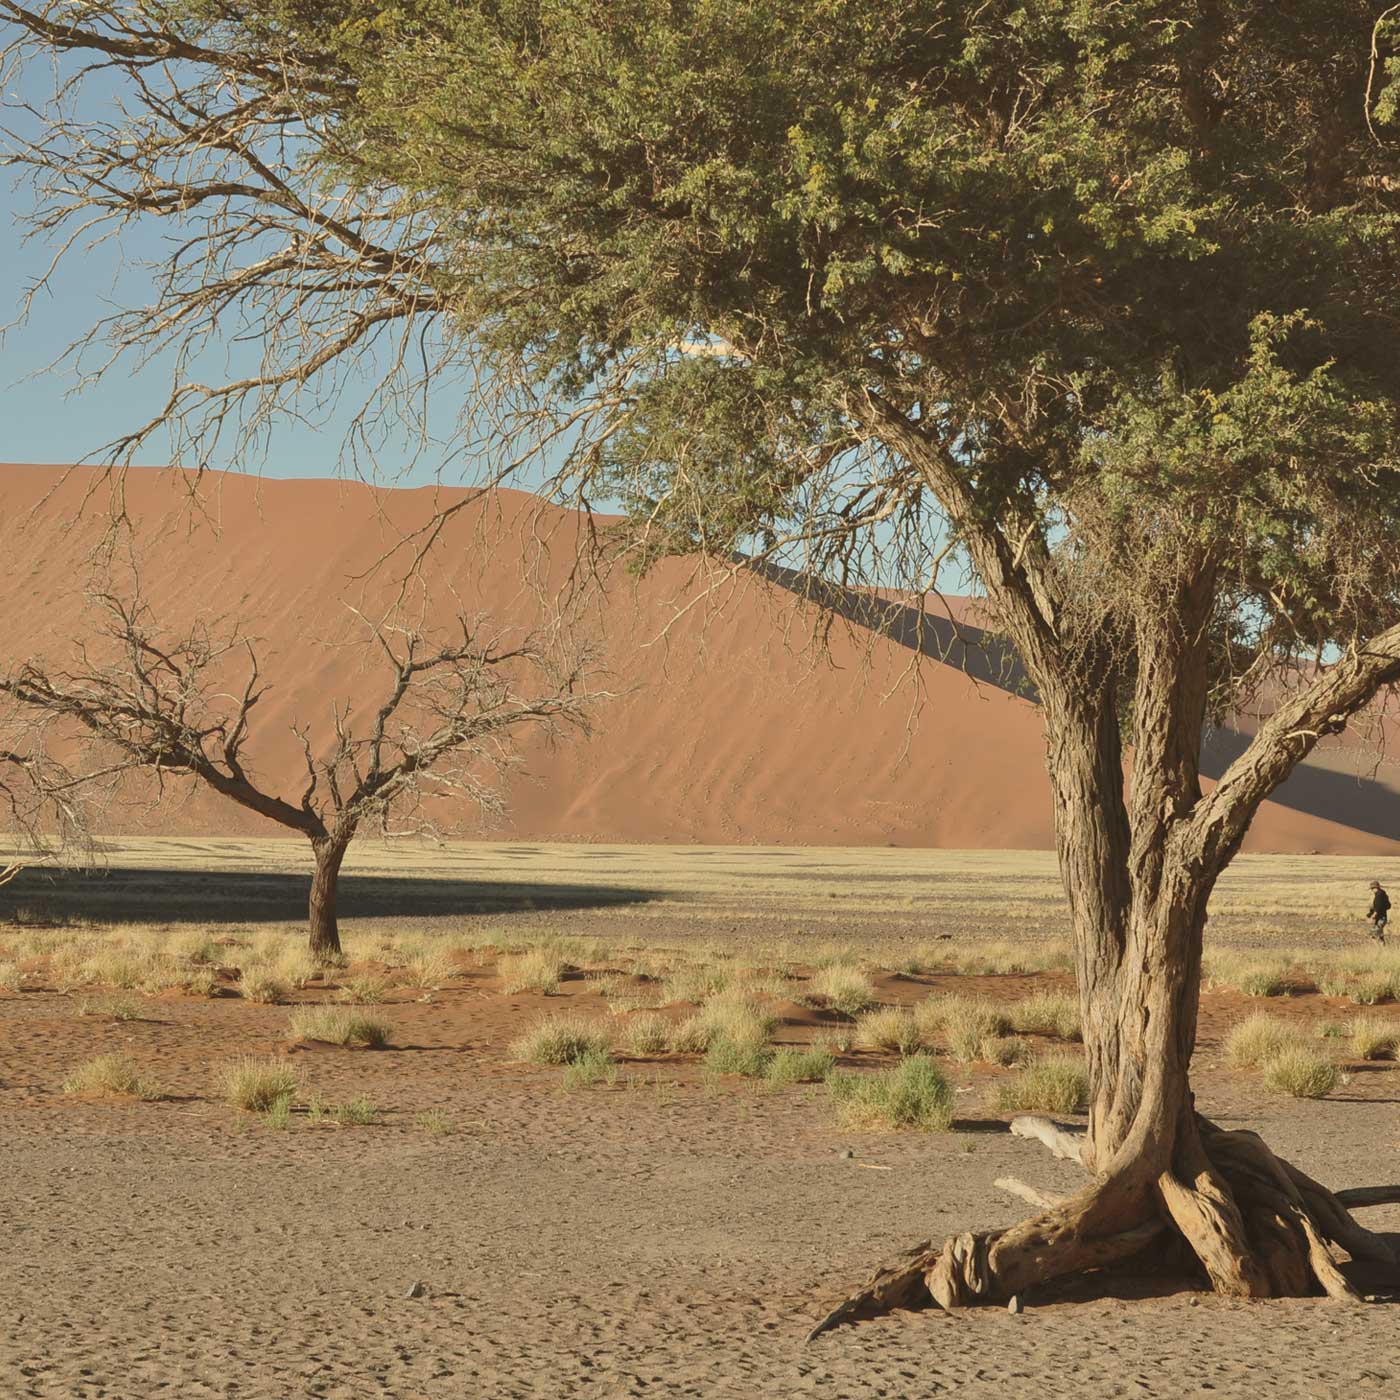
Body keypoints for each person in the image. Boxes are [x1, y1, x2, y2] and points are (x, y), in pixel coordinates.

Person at [1366, 880, 1390, 944]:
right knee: (1380, 935)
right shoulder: (1383, 894)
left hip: (1380, 918)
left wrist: (1372, 917)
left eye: (1372, 889)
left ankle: (1377, 950)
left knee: (1372, 935)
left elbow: (1378, 908)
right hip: (1383, 918)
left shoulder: (1379, 896)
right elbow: (1388, 906)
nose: (1372, 890)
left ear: (1375, 888)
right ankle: (1383, 949)